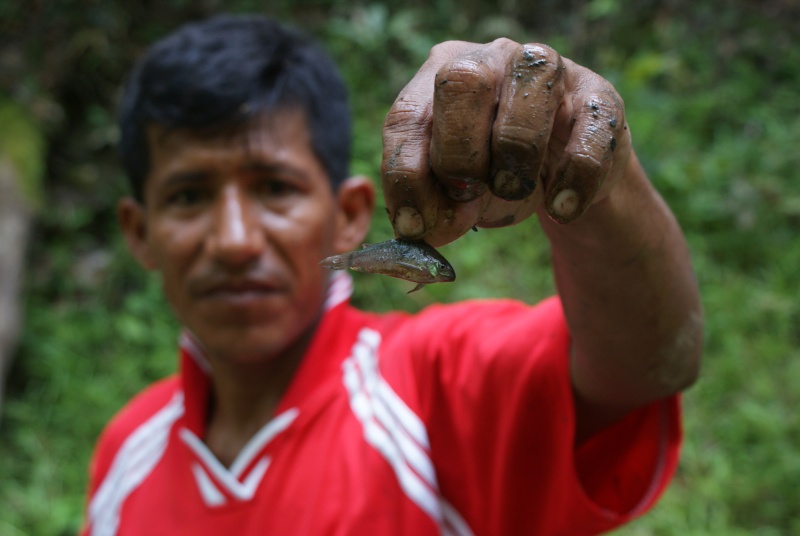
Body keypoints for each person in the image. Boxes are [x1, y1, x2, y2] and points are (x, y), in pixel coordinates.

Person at [80, 13, 703, 536]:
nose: (236, 241)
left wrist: (598, 180)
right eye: (189, 196)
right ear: (140, 232)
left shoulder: (436, 382)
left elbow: (646, 364)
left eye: (274, 188)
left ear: (349, 214)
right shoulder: (124, 449)